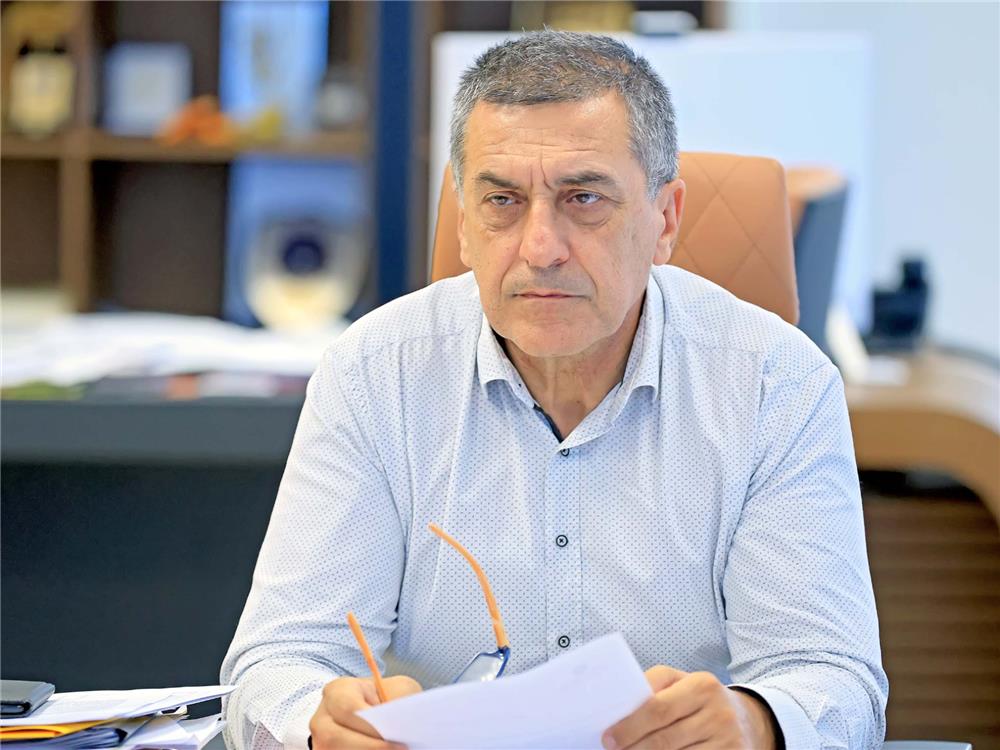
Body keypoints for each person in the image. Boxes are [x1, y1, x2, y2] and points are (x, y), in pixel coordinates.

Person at [220, 30, 887, 750]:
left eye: (584, 198)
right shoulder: (374, 374)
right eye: (502, 201)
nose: (540, 248)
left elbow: (833, 678)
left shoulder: (775, 384)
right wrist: (320, 727)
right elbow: (278, 661)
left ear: (665, 220)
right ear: (465, 225)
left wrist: (756, 724)